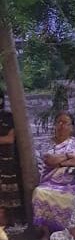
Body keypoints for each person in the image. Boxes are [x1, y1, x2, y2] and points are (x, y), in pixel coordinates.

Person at [32, 112, 75, 240]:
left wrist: (61, 162)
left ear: (71, 127)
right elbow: (49, 160)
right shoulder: (47, 143)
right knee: (40, 193)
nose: (61, 125)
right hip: (51, 182)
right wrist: (69, 156)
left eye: (65, 123)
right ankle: (46, 233)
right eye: (58, 122)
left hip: (73, 182)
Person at [0, 88, 24, 224]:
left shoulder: (8, 117)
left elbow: (9, 139)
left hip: (7, 163)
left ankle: (7, 221)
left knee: (7, 199)